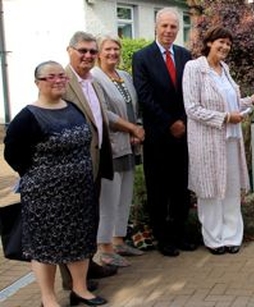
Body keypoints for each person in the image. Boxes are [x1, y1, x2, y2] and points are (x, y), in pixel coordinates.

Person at [4, 61, 107, 307]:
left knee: (80, 241)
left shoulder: (71, 108)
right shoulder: (27, 117)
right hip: (44, 198)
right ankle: (48, 299)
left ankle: (80, 290)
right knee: (45, 248)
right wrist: (42, 175)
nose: (59, 80)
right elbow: (13, 155)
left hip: (79, 192)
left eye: (62, 75)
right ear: (38, 82)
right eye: (51, 77)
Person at [182, 27, 254, 255]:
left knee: (231, 191)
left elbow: (229, 103)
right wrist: (225, 118)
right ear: (209, 43)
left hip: (231, 141)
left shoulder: (225, 69)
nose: (225, 47)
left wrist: (250, 100)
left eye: (228, 44)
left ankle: (232, 236)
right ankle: (214, 240)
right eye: (221, 42)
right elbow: (192, 109)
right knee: (210, 191)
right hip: (207, 143)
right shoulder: (194, 68)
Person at [132, 7, 196, 257]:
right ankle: (163, 238)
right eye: (165, 26)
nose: (169, 31)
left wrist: (182, 120)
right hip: (158, 134)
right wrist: (170, 122)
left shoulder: (185, 55)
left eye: (173, 27)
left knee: (180, 187)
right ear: (156, 27)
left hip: (183, 133)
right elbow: (145, 95)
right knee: (158, 188)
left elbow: (190, 92)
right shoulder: (142, 57)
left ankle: (180, 234)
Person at [61, 31, 117, 291]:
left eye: (92, 52)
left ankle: (89, 263)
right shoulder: (62, 81)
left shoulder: (91, 81)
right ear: (69, 50)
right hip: (72, 167)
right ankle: (73, 282)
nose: (88, 56)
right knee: (72, 225)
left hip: (93, 162)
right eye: (82, 50)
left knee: (89, 220)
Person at [92, 34, 146, 267]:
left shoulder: (124, 76)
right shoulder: (95, 78)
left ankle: (119, 241)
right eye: (108, 49)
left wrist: (138, 129)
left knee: (125, 197)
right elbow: (105, 113)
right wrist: (132, 128)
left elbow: (135, 106)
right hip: (111, 147)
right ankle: (104, 249)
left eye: (116, 49)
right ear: (99, 53)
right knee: (109, 199)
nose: (113, 53)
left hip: (129, 146)